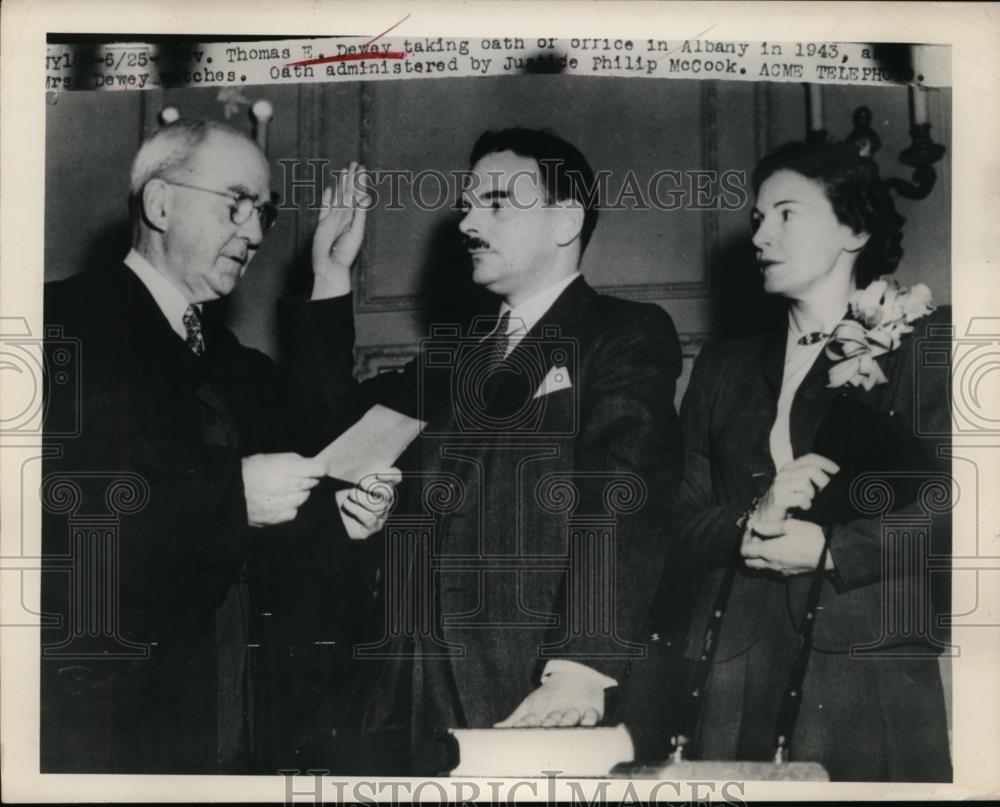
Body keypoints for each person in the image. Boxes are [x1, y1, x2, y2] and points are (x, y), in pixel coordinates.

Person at [287, 128, 684, 773]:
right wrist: (330, 275)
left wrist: (580, 666)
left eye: (497, 203)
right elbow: (334, 429)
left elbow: (622, 497)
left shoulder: (624, 335)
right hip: (398, 685)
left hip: (525, 682)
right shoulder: (456, 355)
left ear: (565, 221)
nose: (468, 221)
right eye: (469, 203)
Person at [41, 119, 398, 774]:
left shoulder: (229, 360)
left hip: (230, 713)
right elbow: (61, 493)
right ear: (160, 203)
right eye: (237, 204)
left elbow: (314, 436)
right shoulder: (57, 323)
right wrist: (229, 492)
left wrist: (329, 273)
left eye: (263, 213)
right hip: (109, 725)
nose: (257, 234)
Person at [671, 141, 952, 781]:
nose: (762, 235)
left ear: (854, 229)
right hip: (733, 671)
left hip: (865, 670)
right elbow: (674, 518)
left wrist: (834, 551)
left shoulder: (923, 341)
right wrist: (750, 520)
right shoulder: (723, 367)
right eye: (758, 220)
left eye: (787, 214)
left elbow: (966, 508)